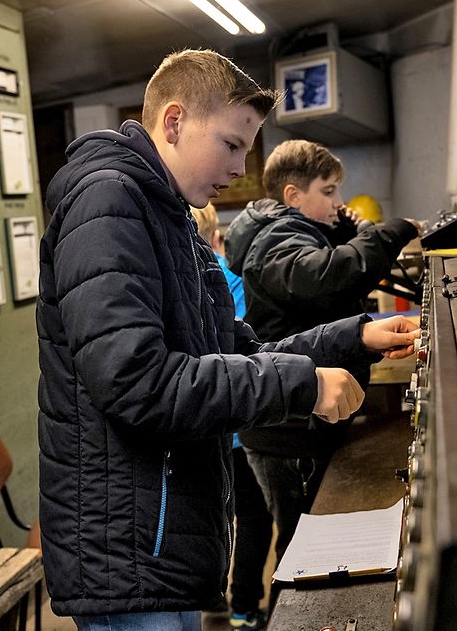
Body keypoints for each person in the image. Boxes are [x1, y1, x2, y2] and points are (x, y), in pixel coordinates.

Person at [36, 49, 418, 631]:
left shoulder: (169, 217)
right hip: (131, 552)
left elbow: (235, 352)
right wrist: (304, 384)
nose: (241, 166)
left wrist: (354, 337)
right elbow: (137, 382)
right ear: (174, 122)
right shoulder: (108, 202)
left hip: (166, 539)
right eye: (232, 145)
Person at [223, 138, 419, 568]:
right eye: (328, 191)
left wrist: (349, 228)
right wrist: (391, 231)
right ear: (293, 195)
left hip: (300, 424)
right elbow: (328, 278)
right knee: (300, 553)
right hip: (288, 433)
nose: (338, 201)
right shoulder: (277, 240)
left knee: (307, 542)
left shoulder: (294, 234)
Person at [191, 203, 271, 630]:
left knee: (224, 514)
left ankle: (221, 604)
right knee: (254, 514)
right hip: (236, 427)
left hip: (210, 420)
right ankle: (242, 607)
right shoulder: (230, 278)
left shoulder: (196, 282)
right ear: (217, 236)